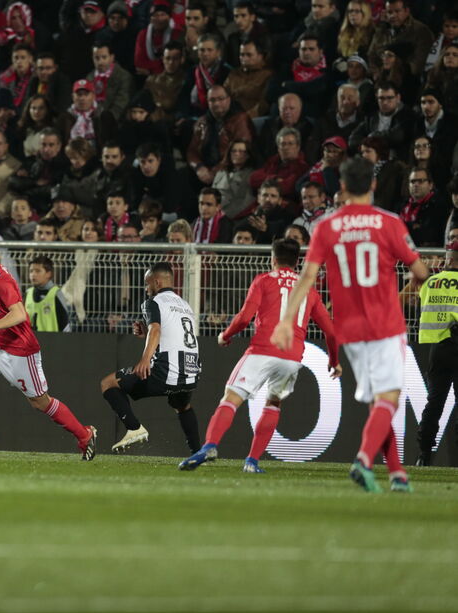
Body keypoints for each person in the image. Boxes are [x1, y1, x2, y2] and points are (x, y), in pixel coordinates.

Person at [272, 156, 430, 493]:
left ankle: (397, 473)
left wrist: (287, 320)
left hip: (351, 331)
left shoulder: (326, 228)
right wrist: (410, 284)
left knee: (378, 404)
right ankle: (363, 459)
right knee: (389, 399)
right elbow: (420, 272)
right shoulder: (389, 222)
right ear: (372, 185)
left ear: (341, 187)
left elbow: (308, 277)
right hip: (385, 325)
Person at [179, 238, 341, 473]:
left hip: (263, 350)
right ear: (297, 262)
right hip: (292, 357)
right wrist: (334, 361)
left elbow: (245, 317)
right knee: (273, 404)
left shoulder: (264, 281)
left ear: (273, 259)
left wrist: (226, 334)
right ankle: (252, 462)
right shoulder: (309, 290)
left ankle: (210, 446)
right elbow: (332, 332)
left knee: (231, 398)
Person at [0, 230, 97, 459]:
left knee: (40, 402)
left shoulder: (0, 279)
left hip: (20, 349)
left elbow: (19, 314)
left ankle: (84, 435)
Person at [99, 262, 202, 454]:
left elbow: (156, 329)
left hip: (166, 372)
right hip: (191, 372)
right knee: (182, 405)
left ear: (157, 282)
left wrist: (145, 359)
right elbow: (173, 335)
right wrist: (146, 332)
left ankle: (134, 428)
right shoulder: (184, 305)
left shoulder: (153, 302)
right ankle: (199, 452)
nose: (146, 289)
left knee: (108, 383)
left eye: (147, 284)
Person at [415, 242, 458, 466]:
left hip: (437, 350)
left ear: (448, 257)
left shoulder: (431, 282)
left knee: (434, 403)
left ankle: (424, 454)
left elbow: (420, 301)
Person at [25, 254, 70, 332]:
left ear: (48, 274)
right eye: (31, 271)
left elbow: (65, 325)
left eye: (38, 271)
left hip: (52, 342)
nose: (33, 274)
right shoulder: (27, 293)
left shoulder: (56, 294)